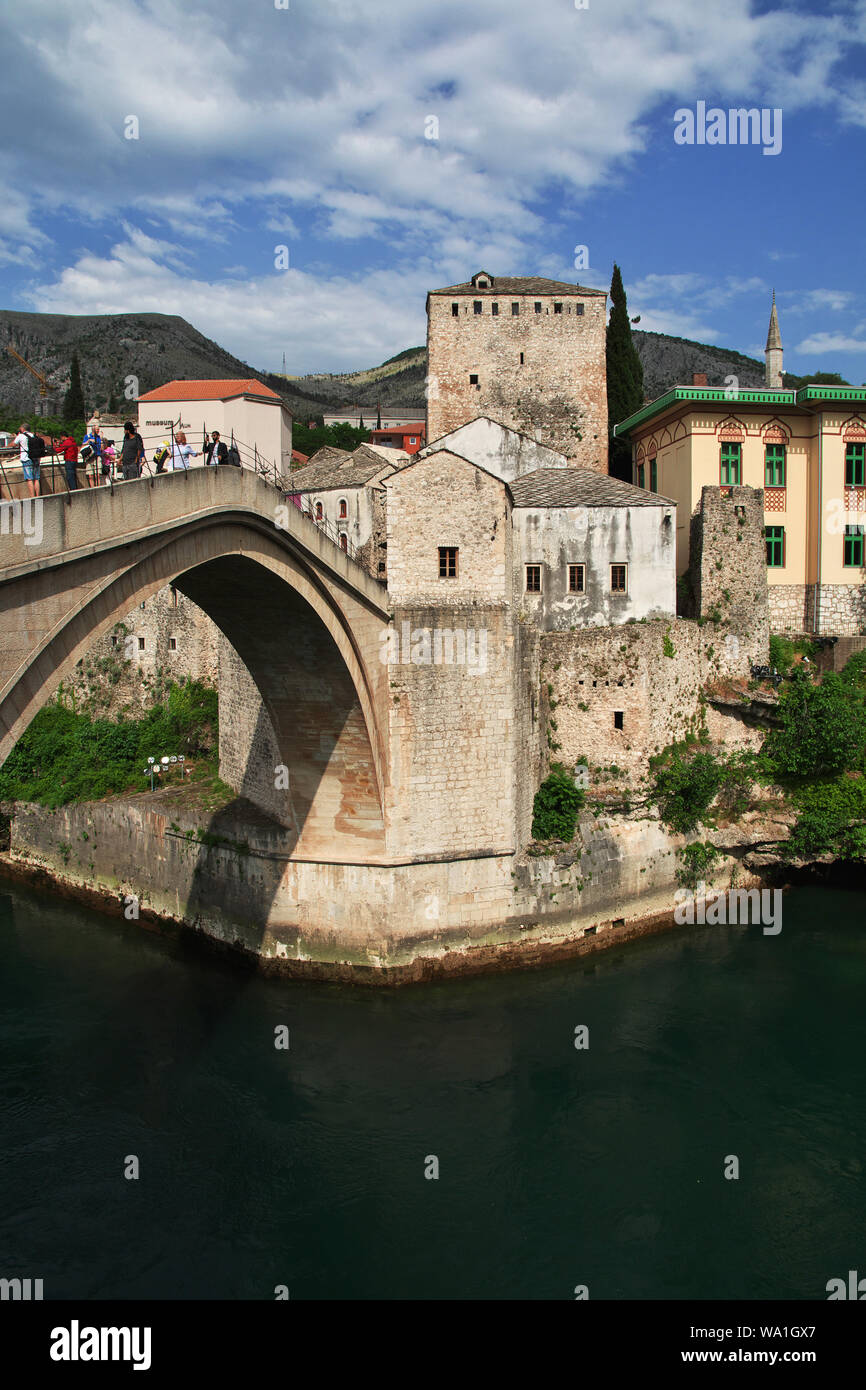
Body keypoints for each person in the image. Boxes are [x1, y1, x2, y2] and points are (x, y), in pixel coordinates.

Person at [13, 422, 40, 497]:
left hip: (26, 459)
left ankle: (32, 496)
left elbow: (14, 444)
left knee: (30, 479)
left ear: (22, 429)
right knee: (36, 479)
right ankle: (38, 495)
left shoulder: (21, 436)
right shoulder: (33, 435)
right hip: (35, 458)